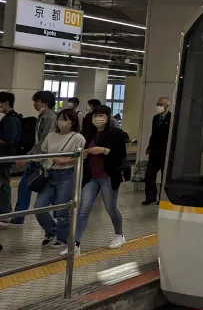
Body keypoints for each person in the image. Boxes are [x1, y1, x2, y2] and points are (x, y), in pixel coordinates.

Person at [67, 105, 127, 255]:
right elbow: (82, 153)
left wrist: (105, 151)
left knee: (111, 208)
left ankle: (119, 235)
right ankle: (75, 243)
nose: (97, 119)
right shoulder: (89, 134)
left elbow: (120, 155)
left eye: (101, 116)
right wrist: (85, 153)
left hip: (108, 176)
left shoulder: (116, 134)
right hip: (91, 177)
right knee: (83, 209)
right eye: (95, 116)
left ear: (107, 118)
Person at [34, 109, 86, 249]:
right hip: (50, 174)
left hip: (67, 175)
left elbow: (81, 158)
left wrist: (66, 161)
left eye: (65, 119)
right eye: (60, 119)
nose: (61, 122)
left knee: (62, 210)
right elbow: (43, 151)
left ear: (73, 122)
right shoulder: (51, 136)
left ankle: (62, 239)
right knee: (39, 207)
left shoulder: (78, 138)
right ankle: (51, 232)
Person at [9, 91, 58, 226]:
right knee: (24, 186)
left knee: (46, 191)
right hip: (37, 159)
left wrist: (28, 157)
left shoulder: (51, 119)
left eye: (36, 102)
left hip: (44, 161)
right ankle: (19, 217)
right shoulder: (41, 118)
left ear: (44, 103)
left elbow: (44, 141)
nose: (34, 105)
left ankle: (57, 221)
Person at [143, 96, 172, 205]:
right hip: (154, 152)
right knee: (149, 176)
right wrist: (149, 147)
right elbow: (153, 134)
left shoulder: (172, 117)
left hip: (165, 152)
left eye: (161, 104)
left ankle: (163, 198)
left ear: (167, 106)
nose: (159, 106)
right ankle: (150, 197)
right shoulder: (155, 118)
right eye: (158, 104)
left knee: (164, 178)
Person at [0, 92, 22, 220]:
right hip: (3, 156)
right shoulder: (7, 118)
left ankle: (4, 213)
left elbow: (10, 139)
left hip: (5, 157)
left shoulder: (12, 119)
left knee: (3, 185)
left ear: (6, 102)